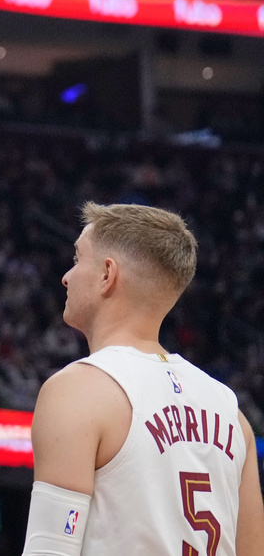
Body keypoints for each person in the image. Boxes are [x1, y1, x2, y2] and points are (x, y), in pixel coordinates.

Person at [22, 202, 264, 556]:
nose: (66, 276)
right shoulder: (231, 412)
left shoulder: (78, 391)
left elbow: (50, 550)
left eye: (77, 259)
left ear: (107, 274)